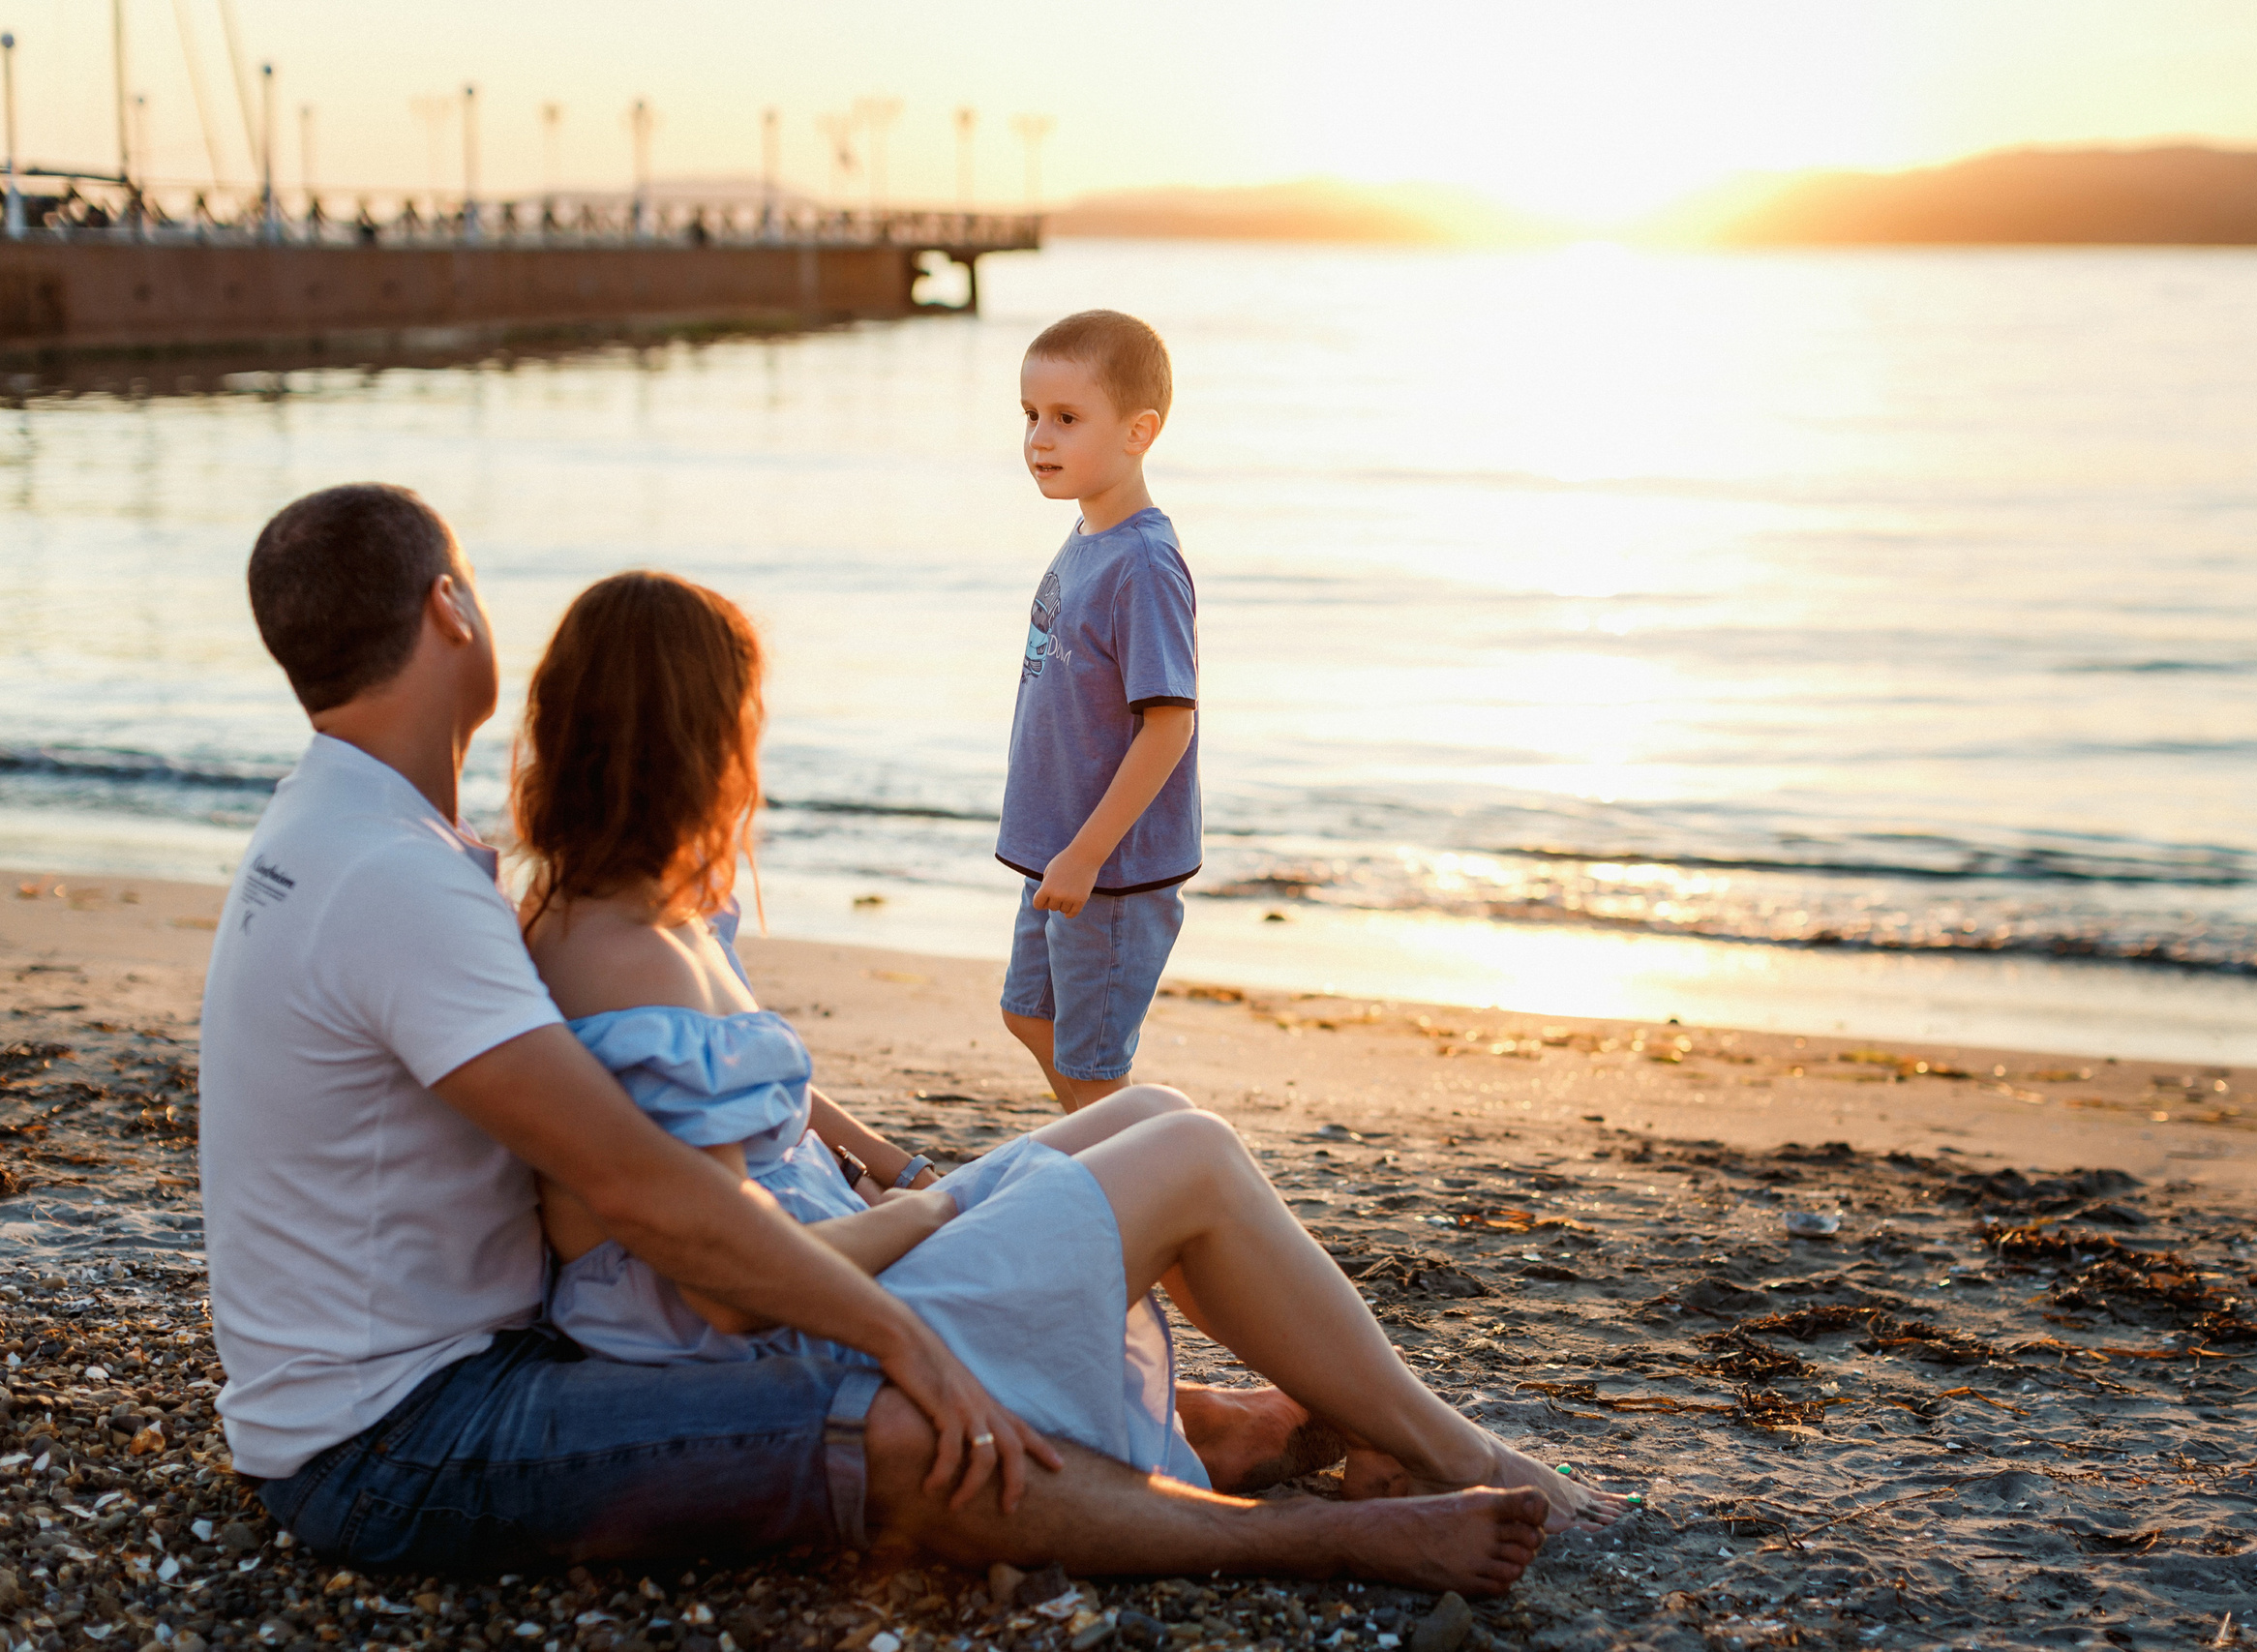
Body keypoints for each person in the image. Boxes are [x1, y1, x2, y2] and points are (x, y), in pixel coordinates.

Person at [199, 481, 1564, 1587]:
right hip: (407, 1432)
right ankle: (1370, 1509)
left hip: (417, 1374)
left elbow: (626, 1157)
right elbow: (631, 1193)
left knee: (1148, 1123)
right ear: (450, 608)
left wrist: (869, 1150)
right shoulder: (405, 880)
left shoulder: (384, 845)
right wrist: (918, 1253)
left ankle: (1262, 1424)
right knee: (925, 1420)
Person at [998, 311, 1200, 1111]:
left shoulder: (1145, 562)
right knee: (1026, 1012)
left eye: (1067, 419)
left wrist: (1086, 854)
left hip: (1108, 868)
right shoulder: (1089, 534)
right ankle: (1109, 1146)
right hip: (1060, 850)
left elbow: (1169, 723)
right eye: (1031, 416)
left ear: (1138, 431)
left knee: (1091, 1062)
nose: (1040, 438)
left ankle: (1138, 1174)